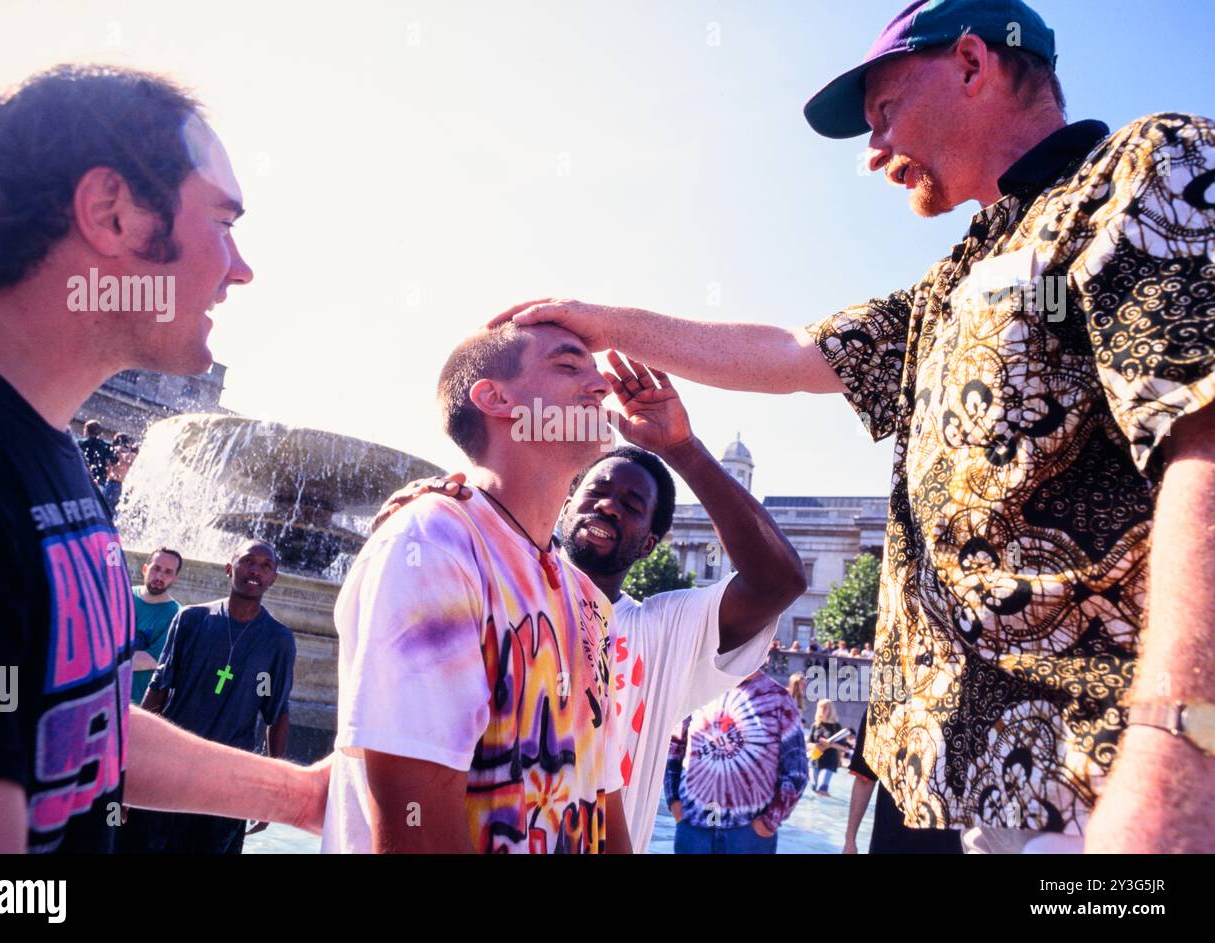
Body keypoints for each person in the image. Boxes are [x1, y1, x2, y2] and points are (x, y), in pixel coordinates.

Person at [497, 0, 1215, 853]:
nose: (874, 152)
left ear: (974, 65)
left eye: (883, 114)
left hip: (1077, 780)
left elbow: (1201, 444)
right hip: (931, 784)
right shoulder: (954, 281)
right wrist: (604, 321)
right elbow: (791, 352)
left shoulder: (1146, 170)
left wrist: (1181, 741)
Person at [0, 65, 327, 853]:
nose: (240, 268)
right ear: (112, 213)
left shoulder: (39, 446)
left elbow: (81, 720)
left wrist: (306, 793)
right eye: (224, 221)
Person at [367, 352, 806, 852]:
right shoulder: (472, 567)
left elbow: (779, 581)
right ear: (569, 500)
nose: (608, 505)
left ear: (650, 543)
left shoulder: (659, 630)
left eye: (632, 505)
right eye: (596, 490)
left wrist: (683, 449)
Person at [322, 322, 632, 854]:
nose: (602, 383)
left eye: (594, 368)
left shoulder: (588, 600)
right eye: (568, 365)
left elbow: (600, 799)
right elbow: (415, 824)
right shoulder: (433, 544)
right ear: (495, 397)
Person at [125, 540, 296, 854]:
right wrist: (132, 763)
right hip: (171, 765)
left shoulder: (279, 641)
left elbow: (277, 716)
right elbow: (158, 690)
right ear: (229, 568)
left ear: (273, 579)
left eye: (266, 565)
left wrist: (275, 789)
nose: (256, 570)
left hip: (230, 779)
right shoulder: (191, 620)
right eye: (247, 561)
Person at [664, 670, 808, 854]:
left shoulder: (779, 699)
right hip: (693, 829)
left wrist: (768, 823)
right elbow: (674, 748)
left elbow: (797, 772)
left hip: (748, 835)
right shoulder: (698, 689)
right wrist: (673, 801)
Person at [844, 708, 962, 854]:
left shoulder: (882, 706)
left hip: (893, 840)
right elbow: (865, 778)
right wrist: (850, 839)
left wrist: (850, 839)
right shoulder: (881, 707)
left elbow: (865, 780)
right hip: (940, 841)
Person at [130, 547, 184, 706]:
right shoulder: (122, 595)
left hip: (136, 705)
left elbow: (150, 660)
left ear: (175, 579)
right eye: (156, 568)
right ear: (145, 569)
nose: (160, 576)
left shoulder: (177, 615)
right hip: (100, 697)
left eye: (168, 572)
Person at [808, 698, 848, 796]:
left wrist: (829, 744)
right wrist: (816, 745)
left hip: (829, 761)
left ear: (831, 710)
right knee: (813, 789)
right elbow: (809, 744)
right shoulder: (815, 726)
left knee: (822, 789)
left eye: (825, 708)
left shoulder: (836, 726)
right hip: (815, 761)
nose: (823, 710)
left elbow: (844, 748)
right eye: (821, 707)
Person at [103, 432, 137, 512]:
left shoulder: (114, 451)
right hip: (125, 485)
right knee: (120, 513)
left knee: (106, 511)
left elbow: (108, 472)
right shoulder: (132, 455)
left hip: (112, 483)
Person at [78, 419, 115, 488]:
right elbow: (113, 462)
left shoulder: (81, 444)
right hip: (100, 481)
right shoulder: (106, 446)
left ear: (86, 430)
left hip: (82, 478)